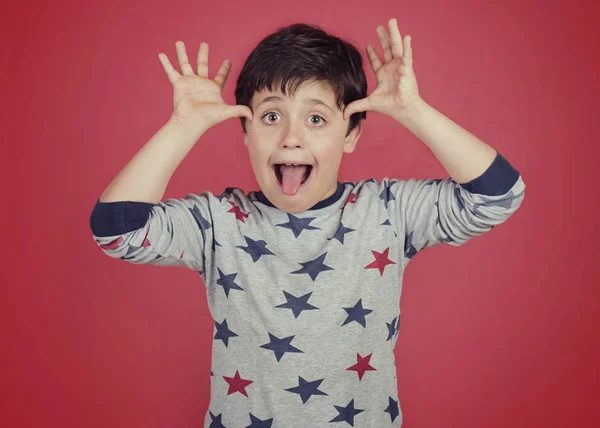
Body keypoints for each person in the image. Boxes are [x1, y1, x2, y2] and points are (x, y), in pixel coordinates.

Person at [90, 18, 525, 428]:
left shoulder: (388, 211)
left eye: (316, 118)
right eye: (271, 116)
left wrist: (412, 111)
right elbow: (116, 231)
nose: (291, 137)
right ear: (245, 130)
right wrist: (182, 126)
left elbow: (498, 196)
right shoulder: (219, 222)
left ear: (350, 134)